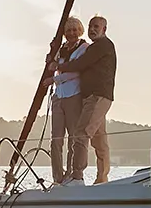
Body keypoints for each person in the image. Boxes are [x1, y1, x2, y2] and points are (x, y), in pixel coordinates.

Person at [71, 14, 116, 185]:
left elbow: (80, 64)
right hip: (95, 97)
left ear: (104, 29)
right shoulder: (95, 47)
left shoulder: (102, 45)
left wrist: (58, 66)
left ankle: (77, 177)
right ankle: (102, 179)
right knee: (99, 140)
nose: (92, 29)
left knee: (82, 134)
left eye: (96, 26)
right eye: (90, 26)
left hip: (98, 97)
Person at [49, 16, 87, 186]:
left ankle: (72, 174)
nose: (71, 33)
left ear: (79, 31)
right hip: (59, 97)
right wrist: (52, 52)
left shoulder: (83, 48)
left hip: (73, 95)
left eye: (74, 30)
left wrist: (56, 80)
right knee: (56, 138)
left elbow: (78, 71)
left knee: (73, 136)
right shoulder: (61, 50)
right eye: (68, 30)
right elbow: (51, 64)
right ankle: (58, 176)